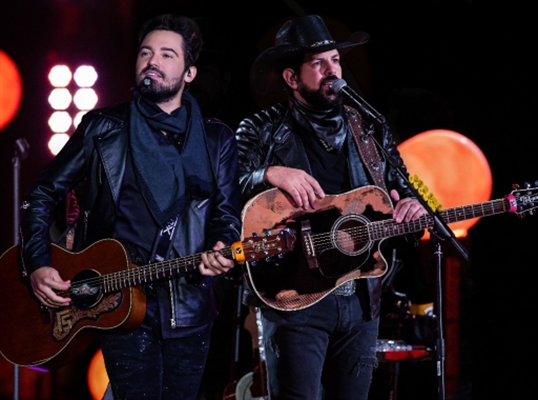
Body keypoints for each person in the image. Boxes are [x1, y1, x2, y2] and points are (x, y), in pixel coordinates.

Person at [19, 14, 242, 400]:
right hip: (119, 303)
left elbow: (225, 214)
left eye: (167, 54)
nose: (152, 60)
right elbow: (41, 193)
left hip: (189, 306)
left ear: (189, 73)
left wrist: (223, 247)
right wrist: (37, 262)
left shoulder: (216, 138)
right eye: (145, 52)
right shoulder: (102, 127)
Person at [235, 15, 427, 400]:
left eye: (336, 61)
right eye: (319, 63)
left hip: (360, 299)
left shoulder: (370, 128)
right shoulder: (260, 130)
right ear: (292, 78)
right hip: (293, 297)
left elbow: (409, 192)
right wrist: (270, 173)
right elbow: (223, 189)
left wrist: (413, 208)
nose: (332, 70)